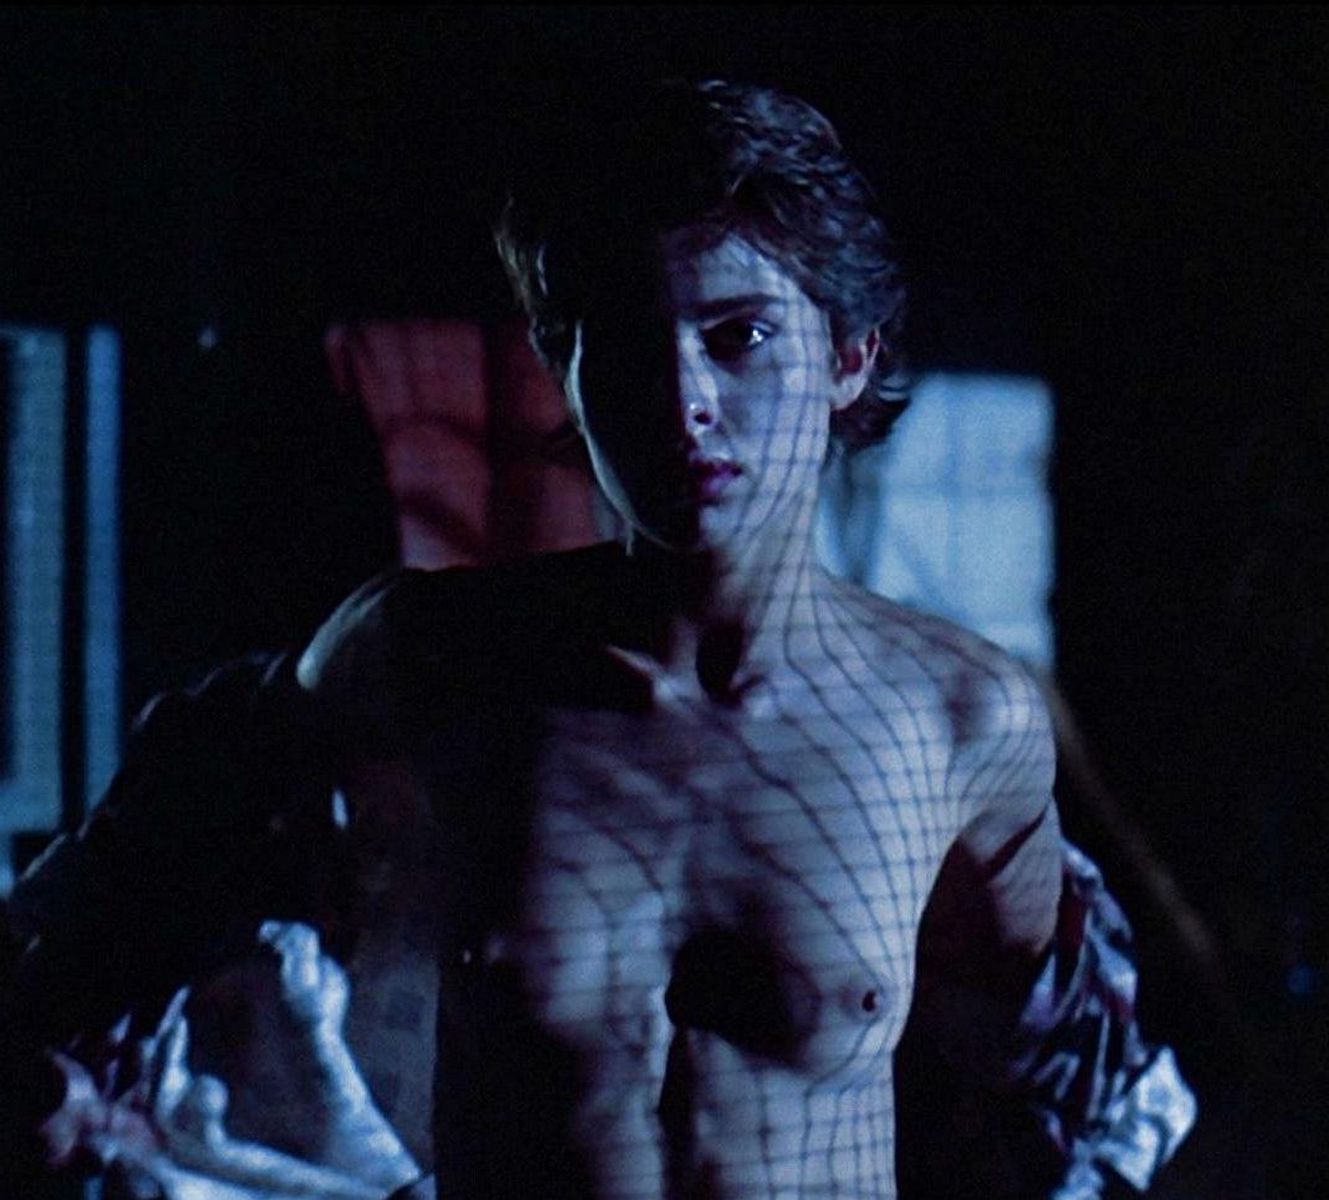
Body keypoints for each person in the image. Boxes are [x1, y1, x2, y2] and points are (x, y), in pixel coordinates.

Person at [3, 79, 1194, 1199]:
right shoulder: (426, 663)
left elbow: (1061, 1080)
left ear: (848, 357)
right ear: (564, 370)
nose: (681, 403)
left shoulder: (957, 720)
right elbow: (114, 900)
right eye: (621, 339)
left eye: (739, 336)